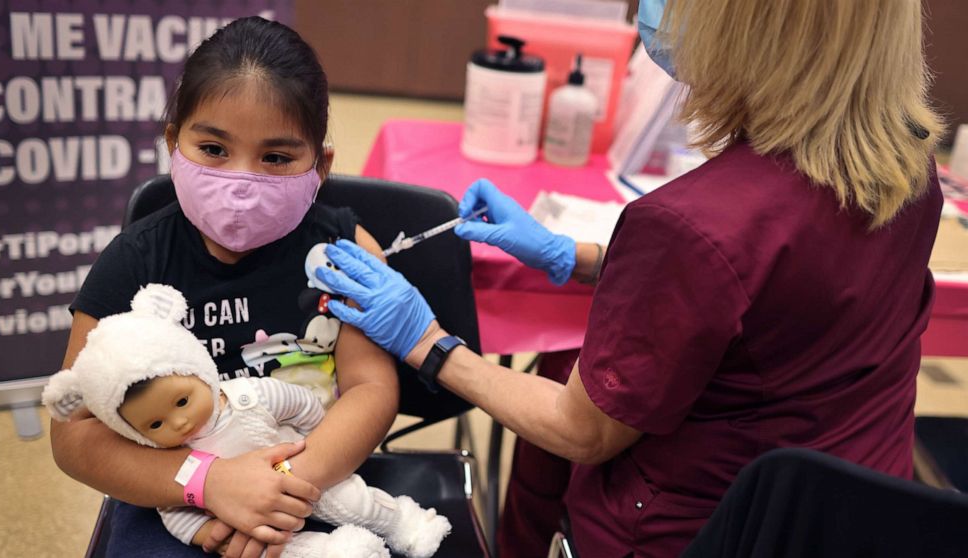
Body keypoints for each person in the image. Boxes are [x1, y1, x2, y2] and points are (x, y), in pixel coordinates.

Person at [311, 0, 945, 555]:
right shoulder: (904, 165)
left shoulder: (691, 224)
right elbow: (773, 295)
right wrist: (579, 257)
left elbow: (580, 430)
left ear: (754, 29)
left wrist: (427, 341)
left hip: (704, 532)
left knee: (560, 376)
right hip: (852, 515)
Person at [50, 17, 400, 558]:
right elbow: (73, 437)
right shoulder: (133, 262)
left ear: (321, 165)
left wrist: (276, 487)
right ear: (173, 143)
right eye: (214, 149)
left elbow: (370, 389)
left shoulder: (346, 251)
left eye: (277, 158)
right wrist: (209, 483)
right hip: (170, 493)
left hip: (319, 478)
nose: (241, 181)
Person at [44, 284, 451, 558]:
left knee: (352, 499)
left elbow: (300, 405)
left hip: (307, 470)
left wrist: (314, 444)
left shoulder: (246, 394)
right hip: (228, 515)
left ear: (199, 369)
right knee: (277, 548)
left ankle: (403, 522)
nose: (179, 423)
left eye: (183, 400)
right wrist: (210, 534)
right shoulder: (170, 459)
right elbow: (175, 513)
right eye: (154, 426)